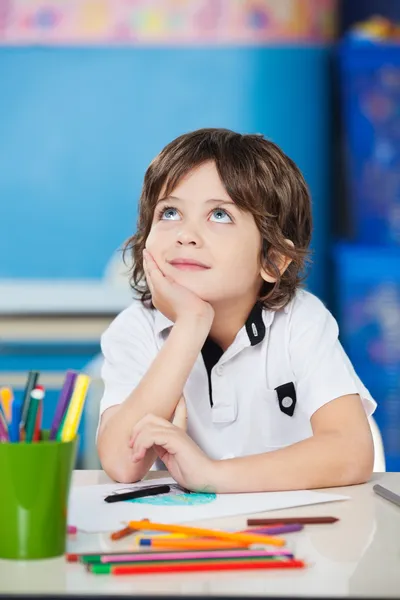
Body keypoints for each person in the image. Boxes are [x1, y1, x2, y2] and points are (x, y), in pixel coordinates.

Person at [96, 128, 376, 492]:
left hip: (297, 533)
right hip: (195, 535)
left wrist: (211, 476)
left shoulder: (301, 321)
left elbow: (352, 452)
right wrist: (191, 324)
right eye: (169, 212)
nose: (185, 234)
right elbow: (121, 462)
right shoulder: (134, 329)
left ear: (273, 260)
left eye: (219, 215)